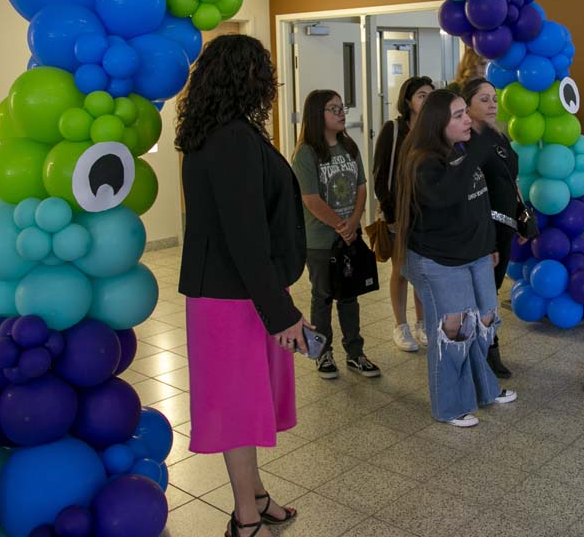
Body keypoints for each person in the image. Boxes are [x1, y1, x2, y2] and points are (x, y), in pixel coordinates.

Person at [176, 34, 306, 537]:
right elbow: (245, 236)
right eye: (263, 73)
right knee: (235, 406)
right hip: (230, 297)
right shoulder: (229, 139)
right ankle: (244, 516)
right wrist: (281, 313)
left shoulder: (226, 132)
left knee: (248, 403)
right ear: (245, 78)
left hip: (242, 291)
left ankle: (257, 495)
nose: (269, 84)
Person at [394, 89, 517, 426]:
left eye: (467, 112)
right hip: (440, 261)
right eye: (459, 115)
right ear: (438, 123)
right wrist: (480, 149)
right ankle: (450, 405)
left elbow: (478, 202)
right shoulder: (423, 161)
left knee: (484, 322)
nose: (468, 120)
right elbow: (449, 194)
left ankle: (484, 388)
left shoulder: (460, 149)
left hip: (474, 253)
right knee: (454, 332)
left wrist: (488, 244)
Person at [291, 89, 380, 380]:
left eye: (342, 107)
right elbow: (311, 198)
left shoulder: (349, 146)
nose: (342, 113)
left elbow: (362, 187)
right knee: (323, 296)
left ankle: (355, 353)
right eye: (334, 108)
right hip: (320, 241)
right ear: (319, 115)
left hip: (350, 237)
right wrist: (340, 226)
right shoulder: (306, 152)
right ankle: (323, 352)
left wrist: (353, 222)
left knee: (350, 295)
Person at [372, 76, 434, 351]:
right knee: (401, 269)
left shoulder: (433, 130)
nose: (427, 100)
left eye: (431, 95)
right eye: (422, 95)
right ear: (408, 101)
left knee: (423, 269)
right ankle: (401, 326)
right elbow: (380, 174)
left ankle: (422, 323)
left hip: (427, 212)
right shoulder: (394, 129)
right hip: (399, 211)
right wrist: (389, 211)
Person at [462, 76, 517, 378]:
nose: (492, 103)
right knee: (481, 294)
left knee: (492, 292)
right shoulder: (466, 141)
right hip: (484, 230)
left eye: (494, 98)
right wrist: (488, 241)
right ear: (467, 106)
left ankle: (488, 346)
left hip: (505, 226)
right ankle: (484, 351)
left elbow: (509, 177)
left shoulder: (497, 134)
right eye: (483, 99)